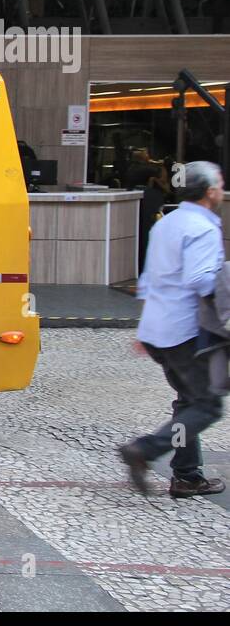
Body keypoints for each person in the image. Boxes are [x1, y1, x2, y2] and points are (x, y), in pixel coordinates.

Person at [120, 160, 227, 498]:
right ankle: (146, 450)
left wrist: (145, 327)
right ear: (210, 191)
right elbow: (200, 279)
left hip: (159, 330)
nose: (222, 190)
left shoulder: (167, 223)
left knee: (188, 400)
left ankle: (187, 476)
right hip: (186, 332)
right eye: (220, 184)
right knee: (207, 405)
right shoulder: (203, 228)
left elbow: (148, 280)